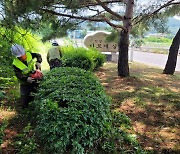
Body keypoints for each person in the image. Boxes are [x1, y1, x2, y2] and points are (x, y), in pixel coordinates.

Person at [11, 44, 42, 108]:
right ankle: (25, 106)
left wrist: (38, 62)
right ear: (17, 56)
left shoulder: (29, 54)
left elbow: (38, 55)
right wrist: (26, 78)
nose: (22, 57)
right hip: (24, 81)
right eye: (20, 56)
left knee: (36, 92)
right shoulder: (15, 63)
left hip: (33, 77)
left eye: (23, 55)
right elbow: (18, 74)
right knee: (24, 101)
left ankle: (35, 103)